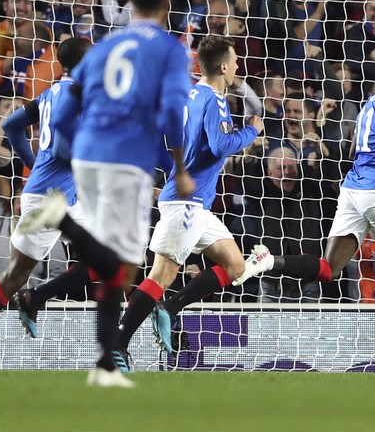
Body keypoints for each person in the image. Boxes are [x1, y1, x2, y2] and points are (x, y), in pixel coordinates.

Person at [16, 0, 193, 389]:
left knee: (115, 266)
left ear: (129, 0)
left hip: (89, 157)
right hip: (125, 160)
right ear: (167, 2)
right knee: (126, 266)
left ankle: (106, 363)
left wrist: (73, 146)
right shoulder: (168, 49)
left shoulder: (105, 46)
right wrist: (180, 168)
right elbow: (171, 110)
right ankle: (61, 219)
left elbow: (66, 106)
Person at [234, 60, 375, 368]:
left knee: (329, 268)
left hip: (354, 189)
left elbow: (366, 150)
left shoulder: (373, 101)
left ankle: (270, 261)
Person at [0, 37, 92, 372]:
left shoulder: (53, 92)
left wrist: (33, 161)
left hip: (64, 197)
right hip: (46, 200)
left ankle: (37, 297)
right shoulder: (73, 98)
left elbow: (11, 126)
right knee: (13, 277)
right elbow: (67, 147)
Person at [113, 35, 265, 368]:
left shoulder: (191, 93)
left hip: (195, 203)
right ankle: (117, 346)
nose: (238, 65)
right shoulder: (215, 100)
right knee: (160, 277)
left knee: (235, 265)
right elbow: (220, 145)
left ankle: (170, 307)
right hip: (187, 203)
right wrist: (251, 130)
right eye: (235, 60)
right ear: (224, 67)